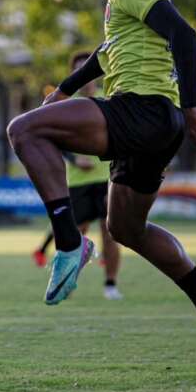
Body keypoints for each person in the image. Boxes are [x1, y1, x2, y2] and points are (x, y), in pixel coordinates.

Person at [7, 0, 196, 362]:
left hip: (142, 109)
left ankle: (69, 242)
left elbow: (185, 35)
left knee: (23, 131)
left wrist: (192, 105)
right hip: (158, 124)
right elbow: (107, 51)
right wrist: (65, 89)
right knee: (126, 229)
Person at [33, 52, 124, 301]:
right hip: (76, 181)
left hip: (107, 179)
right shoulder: (65, 104)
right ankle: (67, 282)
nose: (85, 75)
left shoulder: (109, 98)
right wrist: (75, 160)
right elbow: (53, 138)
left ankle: (111, 284)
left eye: (88, 69)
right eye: (78, 70)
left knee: (110, 233)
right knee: (74, 235)